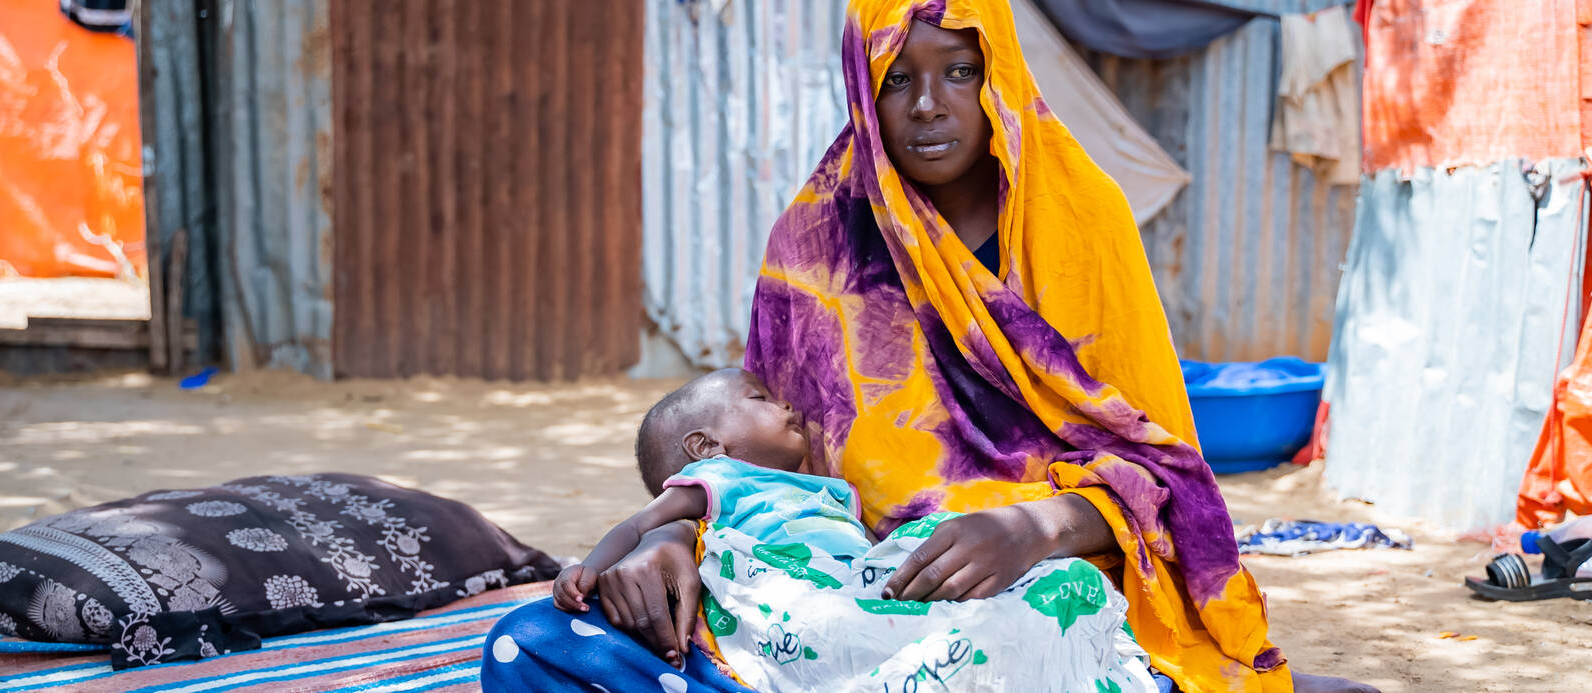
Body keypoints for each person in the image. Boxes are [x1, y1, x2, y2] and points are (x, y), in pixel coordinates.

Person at [483, 1, 1378, 690]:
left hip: (1024, 590)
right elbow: (762, 460)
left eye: (958, 69)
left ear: (1000, 70)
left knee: (1005, 646)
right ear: (862, 91)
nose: (928, 106)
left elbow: (1165, 475)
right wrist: (675, 544)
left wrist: (1036, 528)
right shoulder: (817, 240)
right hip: (829, 583)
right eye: (895, 78)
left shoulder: (1080, 223)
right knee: (529, 645)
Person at [551, 368, 1157, 691]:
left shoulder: (820, 487)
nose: (790, 407)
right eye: (761, 398)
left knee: (1045, 583)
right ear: (706, 446)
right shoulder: (720, 478)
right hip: (793, 594)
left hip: (854, 582)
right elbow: (641, 523)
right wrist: (591, 568)